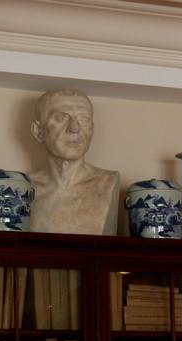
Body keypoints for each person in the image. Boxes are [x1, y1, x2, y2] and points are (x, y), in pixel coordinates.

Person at [29, 89, 120, 235]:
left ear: (92, 129)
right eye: (61, 118)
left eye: (83, 119)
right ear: (38, 131)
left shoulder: (108, 184)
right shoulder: (22, 189)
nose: (74, 128)